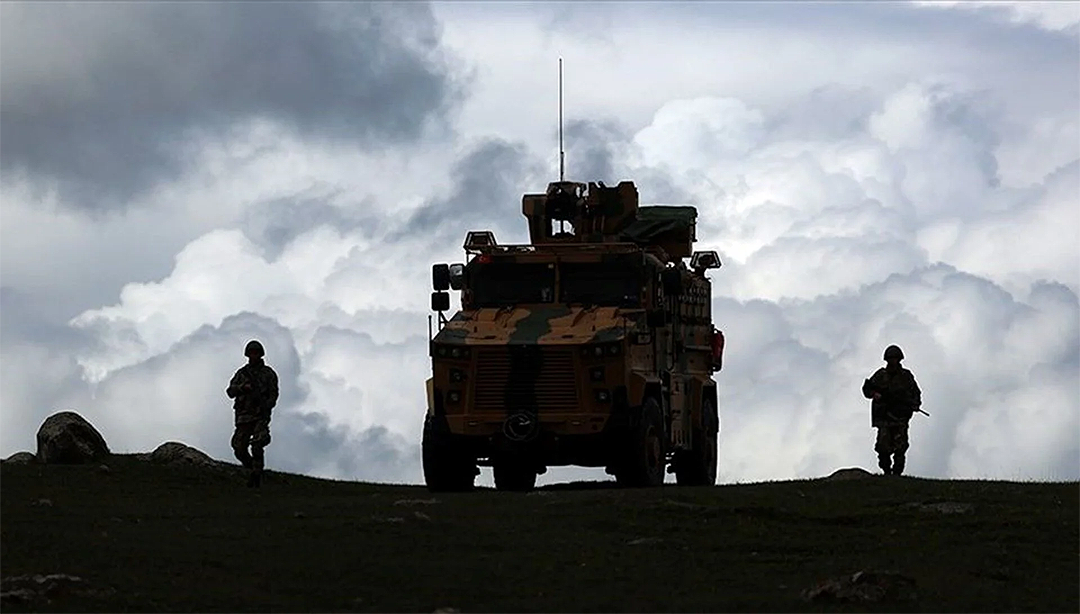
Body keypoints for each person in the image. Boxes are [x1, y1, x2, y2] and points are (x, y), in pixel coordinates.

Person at [861, 345, 922, 476]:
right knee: (883, 447)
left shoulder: (906, 376)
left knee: (901, 447)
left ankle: (897, 473)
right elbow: (866, 389)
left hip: (900, 417)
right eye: (891, 359)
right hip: (884, 417)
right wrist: (874, 394)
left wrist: (915, 404)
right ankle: (887, 471)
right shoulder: (880, 375)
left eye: (895, 358)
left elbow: (915, 392)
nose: (893, 361)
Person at [226, 340, 279, 487]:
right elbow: (230, 391)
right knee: (238, 447)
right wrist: (243, 388)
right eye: (251, 353)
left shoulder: (268, 374)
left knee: (257, 444)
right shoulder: (242, 373)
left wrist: (266, 407)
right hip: (243, 416)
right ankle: (252, 470)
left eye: (256, 353)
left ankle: (257, 475)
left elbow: (273, 394)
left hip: (260, 415)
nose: (253, 355)